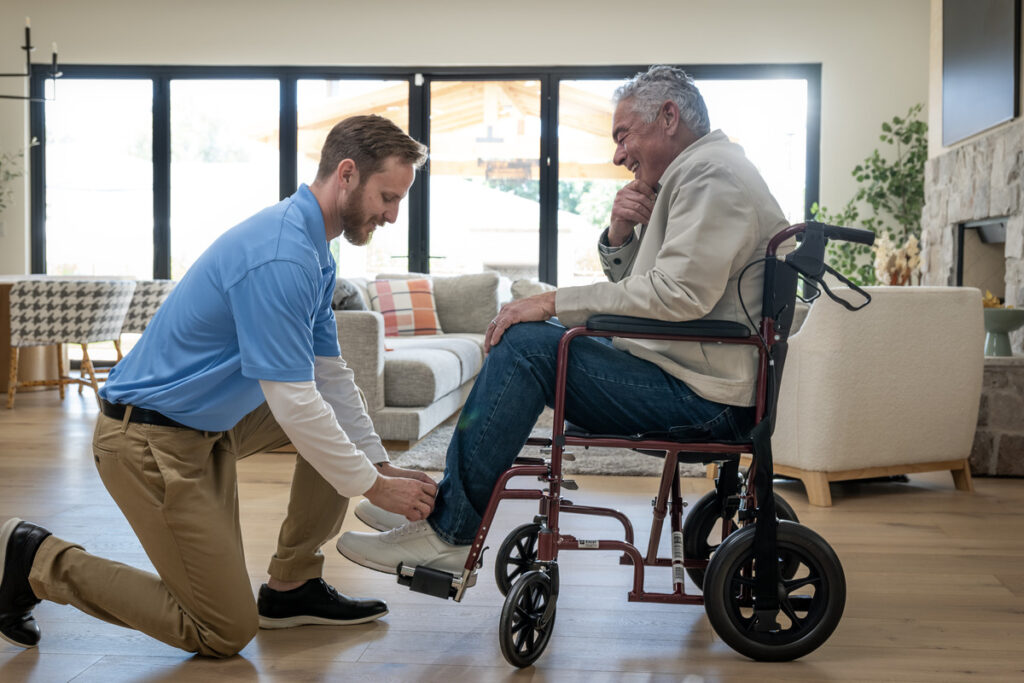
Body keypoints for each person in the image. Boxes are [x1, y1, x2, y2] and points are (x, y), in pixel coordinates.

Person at [0, 116, 438, 656]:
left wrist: (378, 464)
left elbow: (328, 373)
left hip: (209, 426)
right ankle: (37, 559)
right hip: (148, 440)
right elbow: (294, 402)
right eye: (388, 197)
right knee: (222, 630)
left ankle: (292, 587)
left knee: (336, 415)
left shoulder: (314, 249)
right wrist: (372, 486)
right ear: (346, 174)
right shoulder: (281, 255)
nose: (392, 215)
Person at [336, 65, 791, 575]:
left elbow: (676, 294)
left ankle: (450, 532)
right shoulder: (700, 173)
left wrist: (552, 302)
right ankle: (447, 508)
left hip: (703, 399)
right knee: (532, 340)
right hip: (690, 377)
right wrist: (620, 234)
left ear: (668, 117)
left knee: (526, 346)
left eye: (623, 136)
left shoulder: (711, 176)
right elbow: (648, 290)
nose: (618, 155)